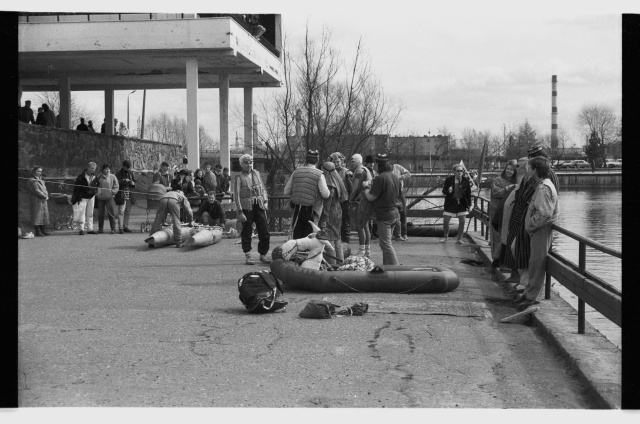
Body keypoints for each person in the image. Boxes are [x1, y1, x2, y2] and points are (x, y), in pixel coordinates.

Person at [503, 145, 559, 291]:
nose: (528, 161)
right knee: (519, 249)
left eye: (531, 158)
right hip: (526, 217)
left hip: (537, 223)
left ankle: (529, 289)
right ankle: (525, 284)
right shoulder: (531, 173)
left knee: (531, 256)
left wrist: (531, 223)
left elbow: (545, 206)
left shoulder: (547, 176)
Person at [514, 157, 559, 309]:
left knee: (537, 264)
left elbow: (544, 214)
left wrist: (530, 225)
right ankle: (528, 293)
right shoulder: (542, 185)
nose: (527, 169)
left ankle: (532, 297)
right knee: (533, 263)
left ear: (535, 169)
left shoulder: (543, 188)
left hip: (540, 231)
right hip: (538, 231)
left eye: (530, 167)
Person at [363, 153, 402, 265]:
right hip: (395, 214)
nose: (373, 166)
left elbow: (371, 197)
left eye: (375, 163)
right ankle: (387, 269)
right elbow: (399, 195)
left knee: (385, 245)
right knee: (387, 244)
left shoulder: (380, 178)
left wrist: (366, 187)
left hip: (384, 216)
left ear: (379, 165)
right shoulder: (395, 177)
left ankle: (396, 269)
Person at [284, 149, 330, 239]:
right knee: (309, 237)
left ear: (306, 159)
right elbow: (325, 194)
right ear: (317, 160)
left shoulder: (296, 172)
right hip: (311, 210)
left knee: (297, 236)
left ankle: (297, 253)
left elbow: (286, 191)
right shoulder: (319, 174)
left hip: (297, 208)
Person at [234, 154, 271, 265]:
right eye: (246, 162)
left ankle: (263, 254)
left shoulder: (257, 173)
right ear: (242, 164)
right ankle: (248, 255)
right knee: (247, 232)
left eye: (250, 162)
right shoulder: (239, 177)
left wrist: (265, 201)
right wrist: (240, 212)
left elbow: (263, 188)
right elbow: (236, 195)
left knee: (264, 231)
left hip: (258, 205)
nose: (249, 164)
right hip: (247, 207)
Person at [500, 157, 529, 284]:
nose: (517, 168)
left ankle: (517, 275)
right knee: (508, 243)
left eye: (519, 166)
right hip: (511, 218)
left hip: (518, 219)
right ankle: (514, 273)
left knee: (514, 246)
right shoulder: (519, 180)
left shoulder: (525, 180)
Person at [489, 160, 517, 271]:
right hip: (496, 212)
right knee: (497, 237)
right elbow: (495, 192)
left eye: (512, 169)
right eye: (508, 169)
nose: (509, 171)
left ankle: (500, 260)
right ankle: (496, 260)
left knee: (505, 236)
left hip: (508, 213)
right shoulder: (498, 180)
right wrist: (507, 189)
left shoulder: (515, 181)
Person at [319, 161, 349, 265]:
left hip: (330, 214)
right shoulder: (337, 181)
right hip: (338, 211)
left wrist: (323, 221)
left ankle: (332, 266)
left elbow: (326, 206)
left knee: (329, 241)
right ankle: (340, 264)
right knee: (337, 240)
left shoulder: (329, 185)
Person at [349, 153, 374, 257]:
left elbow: (356, 188)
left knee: (360, 226)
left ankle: (362, 250)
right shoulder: (366, 169)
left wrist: (351, 199)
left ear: (357, 161)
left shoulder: (359, 171)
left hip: (361, 200)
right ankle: (367, 250)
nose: (351, 163)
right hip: (367, 200)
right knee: (365, 226)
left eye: (352, 161)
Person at [441, 164, 472, 244]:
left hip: (461, 203)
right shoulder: (449, 180)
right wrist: (448, 191)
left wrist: (470, 205)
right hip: (451, 202)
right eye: (458, 171)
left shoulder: (465, 180)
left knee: (462, 221)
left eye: (461, 171)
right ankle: (445, 237)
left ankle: (459, 238)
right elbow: (444, 191)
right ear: (454, 171)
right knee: (446, 221)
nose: (459, 172)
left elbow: (468, 193)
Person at [328, 152, 353, 244]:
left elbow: (352, 188)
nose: (336, 164)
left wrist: (351, 200)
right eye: (334, 162)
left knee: (345, 224)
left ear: (342, 161)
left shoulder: (347, 172)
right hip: (333, 202)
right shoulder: (329, 173)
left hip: (344, 202)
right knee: (333, 224)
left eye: (338, 161)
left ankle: (346, 244)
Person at [71, 161, 98, 235]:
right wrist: (78, 197)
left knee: (90, 213)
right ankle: (81, 229)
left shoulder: (95, 176)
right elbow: (77, 188)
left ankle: (90, 229)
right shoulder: (81, 176)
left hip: (91, 197)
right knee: (82, 212)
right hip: (83, 197)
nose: (93, 170)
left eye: (94, 169)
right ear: (88, 168)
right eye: (92, 168)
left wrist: (95, 191)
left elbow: (97, 185)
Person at [94, 164, 119, 234]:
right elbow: (95, 186)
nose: (107, 170)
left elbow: (116, 186)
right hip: (100, 198)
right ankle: (100, 228)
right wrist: (96, 193)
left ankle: (113, 228)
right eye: (106, 169)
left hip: (109, 197)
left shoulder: (113, 177)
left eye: (108, 169)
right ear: (102, 170)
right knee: (100, 214)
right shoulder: (99, 177)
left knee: (111, 213)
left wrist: (113, 192)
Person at [27, 166, 50, 237]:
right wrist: (44, 196)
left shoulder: (41, 180)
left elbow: (44, 189)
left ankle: (43, 230)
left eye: (40, 171)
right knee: (37, 215)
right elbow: (36, 190)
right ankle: (38, 231)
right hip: (36, 200)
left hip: (43, 200)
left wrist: (46, 194)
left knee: (43, 215)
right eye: (38, 171)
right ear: (34, 172)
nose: (40, 173)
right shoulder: (31, 180)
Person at [114, 160, 136, 233]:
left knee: (128, 211)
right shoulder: (118, 173)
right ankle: (120, 227)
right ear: (124, 166)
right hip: (121, 193)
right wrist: (124, 180)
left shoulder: (131, 173)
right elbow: (116, 183)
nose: (129, 169)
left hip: (129, 193)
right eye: (127, 167)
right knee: (121, 211)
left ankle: (125, 226)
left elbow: (134, 181)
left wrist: (133, 183)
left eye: (129, 167)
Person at [391, 161, 411, 241]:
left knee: (403, 213)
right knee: (394, 214)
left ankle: (404, 234)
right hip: (391, 192)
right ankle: (396, 234)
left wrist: (400, 177)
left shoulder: (398, 167)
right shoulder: (384, 170)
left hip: (400, 191)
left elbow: (408, 174)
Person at [364, 154, 379, 239]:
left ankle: (375, 232)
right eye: (370, 163)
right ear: (366, 163)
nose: (372, 164)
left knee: (375, 215)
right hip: (367, 194)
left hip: (374, 195)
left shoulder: (374, 172)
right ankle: (369, 232)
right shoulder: (365, 171)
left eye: (373, 162)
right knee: (368, 215)